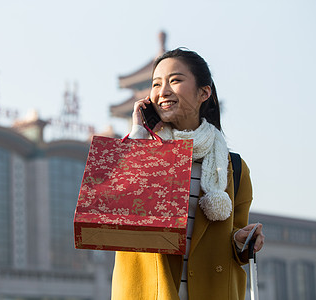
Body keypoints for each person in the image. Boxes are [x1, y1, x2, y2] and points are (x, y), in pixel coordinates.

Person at [111, 48, 265, 300]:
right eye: (156, 84)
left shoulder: (233, 168)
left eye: (175, 80)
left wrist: (241, 240)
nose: (163, 91)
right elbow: (114, 209)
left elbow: (235, 245)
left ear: (204, 92)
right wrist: (139, 133)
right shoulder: (141, 155)